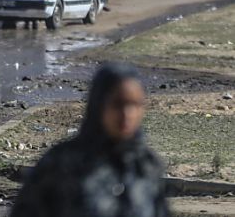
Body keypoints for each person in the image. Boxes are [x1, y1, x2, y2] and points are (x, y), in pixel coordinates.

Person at [10, 63, 168, 217]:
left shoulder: (146, 166)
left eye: (134, 104)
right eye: (117, 104)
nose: (127, 114)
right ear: (98, 104)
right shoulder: (62, 164)